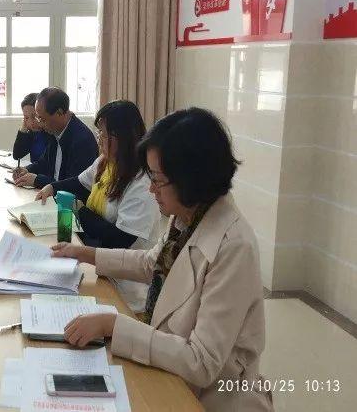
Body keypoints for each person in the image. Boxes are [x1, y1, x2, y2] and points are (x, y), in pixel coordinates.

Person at [51, 108, 272, 412]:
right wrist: (85, 253)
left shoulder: (234, 247)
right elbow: (150, 263)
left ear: (190, 179)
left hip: (212, 397)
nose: (151, 188)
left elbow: (202, 362)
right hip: (171, 369)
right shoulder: (188, 215)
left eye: (157, 180)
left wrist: (114, 325)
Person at [35, 100, 159, 250]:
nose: (99, 140)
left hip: (125, 258)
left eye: (103, 135)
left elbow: (122, 240)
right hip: (97, 246)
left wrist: (80, 211)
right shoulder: (105, 161)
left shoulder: (141, 182)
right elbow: (80, 182)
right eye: (98, 132)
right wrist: (51, 187)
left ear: (123, 138)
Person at [12, 87, 97, 188]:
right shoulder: (55, 131)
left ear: (59, 112)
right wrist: (27, 170)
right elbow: (43, 163)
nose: (40, 124)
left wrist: (37, 180)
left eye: (42, 119)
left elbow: (76, 185)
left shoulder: (82, 140)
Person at [12, 92, 50, 163]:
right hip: (33, 170)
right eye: (26, 117)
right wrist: (23, 129)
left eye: (34, 116)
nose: (31, 122)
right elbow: (17, 155)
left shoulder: (51, 132)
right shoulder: (31, 133)